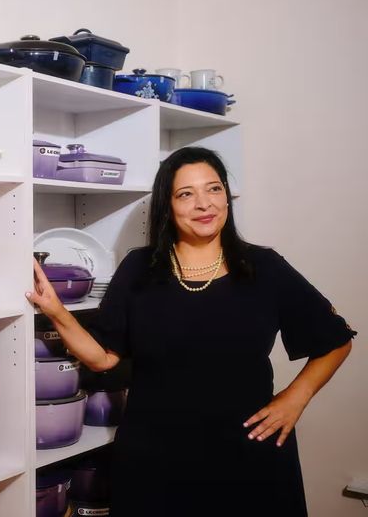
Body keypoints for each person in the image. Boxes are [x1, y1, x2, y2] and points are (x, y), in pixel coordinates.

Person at [27, 146, 355, 517]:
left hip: (247, 454)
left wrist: (295, 398)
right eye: (186, 194)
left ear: (227, 198)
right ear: (167, 207)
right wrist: (55, 311)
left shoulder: (264, 268)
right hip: (155, 458)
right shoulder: (139, 268)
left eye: (213, 189)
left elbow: (335, 340)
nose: (204, 204)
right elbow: (103, 357)